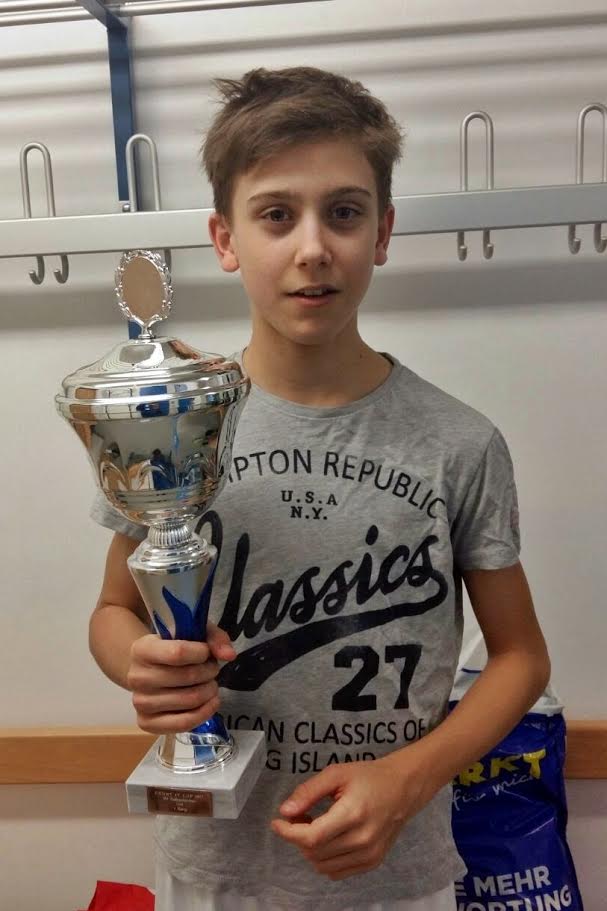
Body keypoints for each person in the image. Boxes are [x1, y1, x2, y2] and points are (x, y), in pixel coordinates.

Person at [89, 67, 551, 911]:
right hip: (216, 870)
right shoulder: (176, 424)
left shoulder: (459, 441)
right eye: (275, 214)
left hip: (394, 871)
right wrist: (140, 665)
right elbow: (115, 610)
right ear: (224, 238)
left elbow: (520, 655)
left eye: (343, 211)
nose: (312, 247)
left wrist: (409, 777)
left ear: (382, 231)